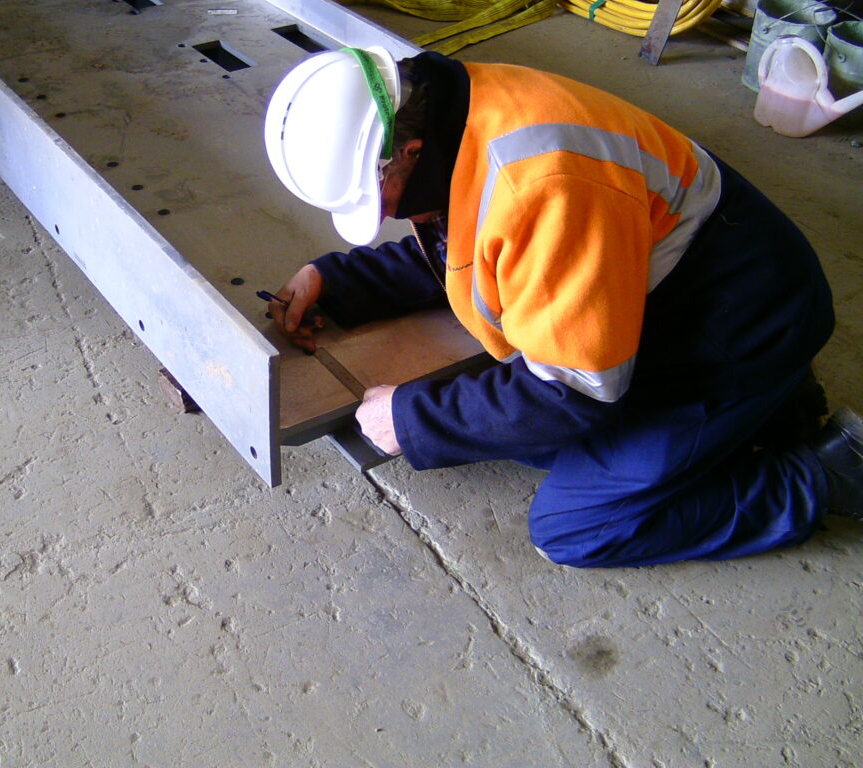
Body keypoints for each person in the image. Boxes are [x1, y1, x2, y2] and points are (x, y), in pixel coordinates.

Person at [261, 46, 862, 568]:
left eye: (378, 196)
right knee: (518, 426)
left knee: (576, 525)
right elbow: (477, 246)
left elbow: (573, 392)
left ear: (408, 152)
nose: (385, 214)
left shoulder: (540, 185)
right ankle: (777, 406)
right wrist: (336, 280)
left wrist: (411, 418)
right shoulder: (456, 110)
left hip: (742, 324)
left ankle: (827, 476)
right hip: (699, 277)